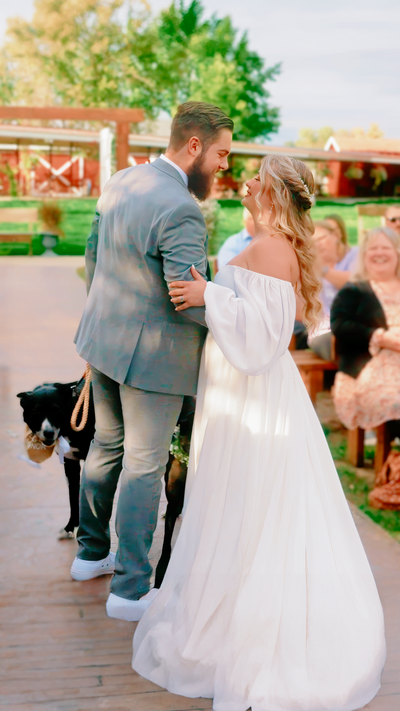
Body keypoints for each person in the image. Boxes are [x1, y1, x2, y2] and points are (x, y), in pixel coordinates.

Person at [132, 155, 385, 711]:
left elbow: (265, 339)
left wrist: (209, 296)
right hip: (240, 393)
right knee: (237, 506)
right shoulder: (270, 245)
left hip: (254, 397)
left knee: (249, 507)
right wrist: (213, 292)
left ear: (272, 192)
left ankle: (249, 635)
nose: (243, 184)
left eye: (253, 178)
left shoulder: (272, 248)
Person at [70, 102, 233, 622]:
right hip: (153, 358)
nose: (224, 165)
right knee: (144, 463)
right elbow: (188, 296)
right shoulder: (182, 207)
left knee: (104, 446)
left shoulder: (121, 180)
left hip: (105, 339)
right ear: (194, 146)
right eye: (222, 153)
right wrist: (241, 322)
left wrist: (100, 321)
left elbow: (93, 257)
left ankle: (90, 554)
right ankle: (131, 589)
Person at [331, 226, 400, 432]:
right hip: (370, 368)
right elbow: (340, 325)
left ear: (397, 252)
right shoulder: (354, 290)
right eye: (373, 248)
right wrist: (381, 337)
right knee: (394, 398)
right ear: (364, 255)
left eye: (385, 248)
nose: (379, 253)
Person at [308, 219, 358, 360]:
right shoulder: (307, 268)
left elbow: (354, 284)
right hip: (324, 332)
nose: (318, 244)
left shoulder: (356, 255)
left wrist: (322, 270)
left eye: (322, 238)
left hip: (356, 326)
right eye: (313, 242)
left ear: (336, 236)